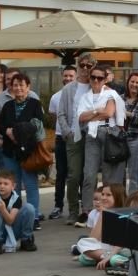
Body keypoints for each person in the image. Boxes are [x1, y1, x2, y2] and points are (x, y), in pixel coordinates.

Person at [0, 70, 46, 209]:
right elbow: (0, 124)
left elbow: (38, 123)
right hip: (10, 151)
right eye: (15, 85)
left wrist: (16, 132)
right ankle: (13, 213)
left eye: (21, 85)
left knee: (30, 185)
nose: (18, 88)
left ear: (28, 87)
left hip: (28, 151)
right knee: (12, 185)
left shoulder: (35, 104)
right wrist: (7, 131)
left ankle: (33, 216)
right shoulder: (8, 105)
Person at [47, 58, 91, 221]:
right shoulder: (68, 89)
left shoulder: (97, 85)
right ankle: (73, 210)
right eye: (82, 65)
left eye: (89, 65)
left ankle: (89, 210)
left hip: (92, 136)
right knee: (73, 175)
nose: (85, 68)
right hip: (73, 137)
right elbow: (60, 113)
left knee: (90, 175)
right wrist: (67, 133)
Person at [75, 64, 123, 196]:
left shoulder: (111, 94)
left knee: (108, 177)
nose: (95, 80)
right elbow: (79, 117)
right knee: (89, 175)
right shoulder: (85, 97)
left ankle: (107, 209)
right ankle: (87, 209)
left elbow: (108, 113)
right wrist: (97, 111)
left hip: (109, 133)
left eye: (99, 78)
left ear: (105, 79)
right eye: (93, 77)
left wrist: (90, 116)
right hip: (91, 135)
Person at [0, 167, 37, 253]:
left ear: (13, 186)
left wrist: (3, 210)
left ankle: (26, 239)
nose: (2, 186)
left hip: (13, 230)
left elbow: (10, 221)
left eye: (6, 184)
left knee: (29, 207)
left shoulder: (16, 199)